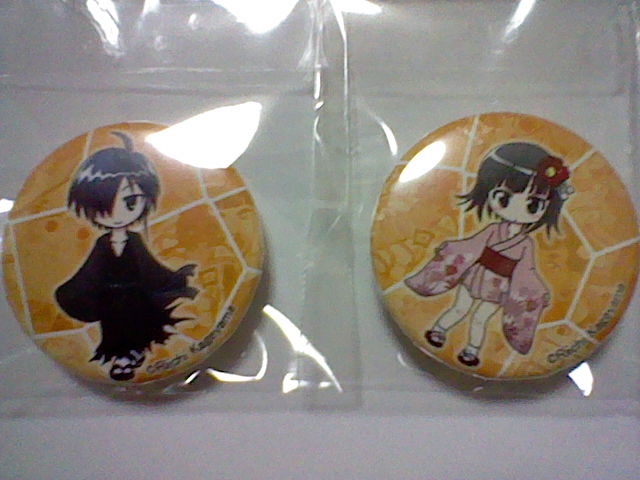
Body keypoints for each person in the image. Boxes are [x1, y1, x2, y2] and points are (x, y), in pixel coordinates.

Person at [405, 142, 572, 367]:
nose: (517, 210)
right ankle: (438, 331)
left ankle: (472, 351)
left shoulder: (525, 244)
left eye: (533, 204)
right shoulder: (493, 230)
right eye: (504, 199)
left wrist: (537, 292)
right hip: (476, 275)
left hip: (498, 287)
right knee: (460, 307)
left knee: (480, 318)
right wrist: (450, 250)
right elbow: (471, 245)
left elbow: (526, 271)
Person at [55, 132, 198, 381]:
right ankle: (119, 358)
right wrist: (75, 292)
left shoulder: (135, 240)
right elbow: (90, 272)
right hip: (111, 302)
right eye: (103, 206)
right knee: (114, 332)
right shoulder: (102, 244)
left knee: (137, 328)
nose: (117, 214)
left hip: (136, 298)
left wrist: (173, 280)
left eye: (130, 202)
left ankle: (133, 354)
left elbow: (150, 266)